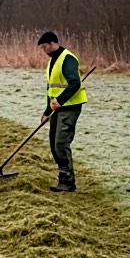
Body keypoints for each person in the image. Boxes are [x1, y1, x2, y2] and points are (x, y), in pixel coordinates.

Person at [37, 31, 87, 192]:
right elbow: (51, 89)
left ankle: (67, 181)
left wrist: (60, 100)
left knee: (61, 143)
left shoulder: (67, 59)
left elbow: (75, 83)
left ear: (53, 43)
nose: (44, 50)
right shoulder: (53, 61)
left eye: (45, 46)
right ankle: (64, 176)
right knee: (53, 142)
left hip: (70, 107)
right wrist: (46, 111)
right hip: (56, 108)